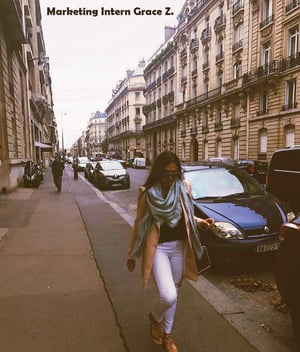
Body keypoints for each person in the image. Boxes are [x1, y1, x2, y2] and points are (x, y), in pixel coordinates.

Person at [127, 151, 214, 352]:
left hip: (179, 248)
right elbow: (139, 224)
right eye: (166, 174)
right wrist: (131, 254)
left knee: (174, 293)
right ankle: (154, 318)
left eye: (174, 173)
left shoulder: (184, 187)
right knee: (168, 295)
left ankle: (167, 334)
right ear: (158, 172)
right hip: (158, 250)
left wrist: (201, 224)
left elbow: (189, 216)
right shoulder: (147, 193)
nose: (169, 178)